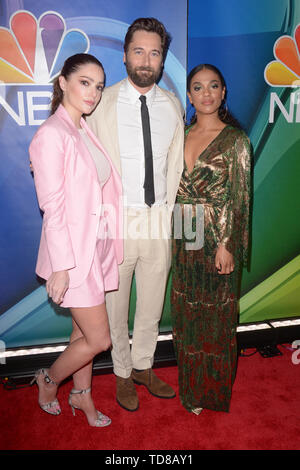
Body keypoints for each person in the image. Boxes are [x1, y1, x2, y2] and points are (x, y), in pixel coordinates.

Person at [87, 18, 184, 412]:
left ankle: (144, 365)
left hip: (158, 217)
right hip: (117, 220)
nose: (146, 60)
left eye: (155, 53)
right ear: (125, 54)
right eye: (139, 51)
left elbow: (175, 166)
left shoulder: (172, 106)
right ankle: (122, 373)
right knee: (116, 305)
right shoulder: (101, 104)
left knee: (151, 303)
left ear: (163, 60)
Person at [29, 53, 123, 427]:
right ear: (63, 82)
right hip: (73, 257)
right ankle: (48, 380)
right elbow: (52, 208)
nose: (94, 93)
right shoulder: (51, 135)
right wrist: (64, 267)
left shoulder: (82, 128)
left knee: (81, 331)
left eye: (99, 86)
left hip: (95, 247)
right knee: (100, 340)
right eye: (85, 82)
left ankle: (82, 396)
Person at [171, 64, 251, 414]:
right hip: (182, 231)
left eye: (213, 86)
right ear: (189, 95)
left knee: (216, 319)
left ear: (223, 93)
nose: (206, 93)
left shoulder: (236, 140)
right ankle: (190, 390)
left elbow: (241, 197)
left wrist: (227, 244)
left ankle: (212, 391)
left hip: (216, 236)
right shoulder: (179, 134)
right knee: (187, 313)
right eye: (198, 87)